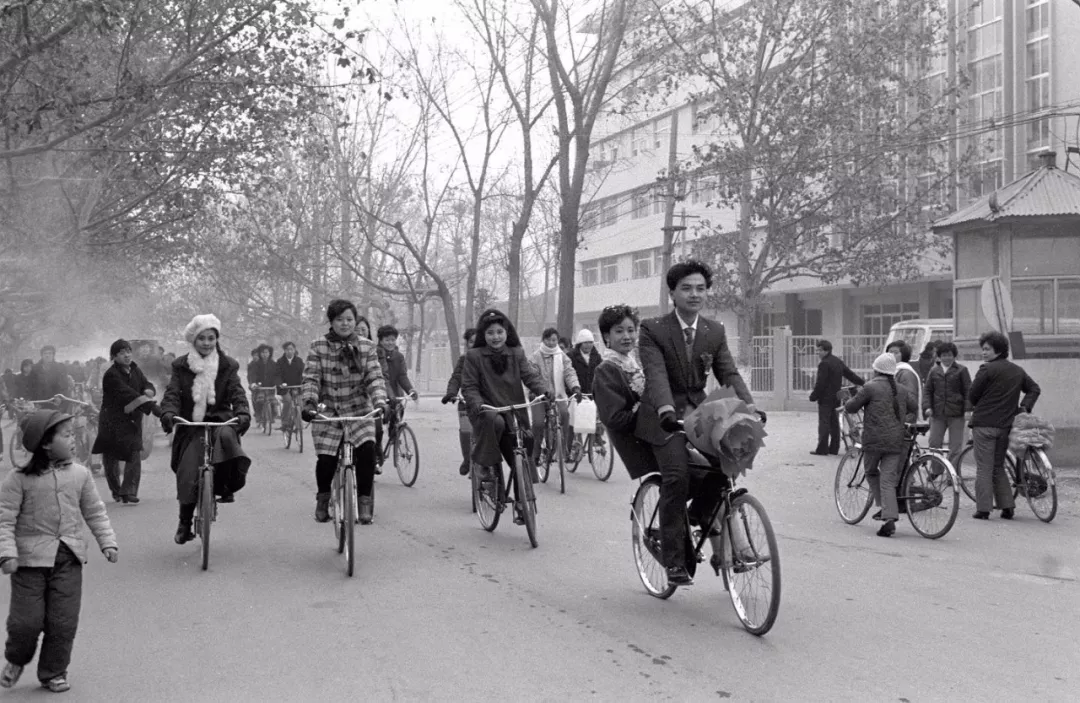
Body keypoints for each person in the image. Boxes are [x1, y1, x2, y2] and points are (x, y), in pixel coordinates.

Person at [636, 260, 758, 586]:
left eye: (701, 288)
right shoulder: (652, 329)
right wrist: (665, 409)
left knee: (730, 458)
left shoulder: (713, 331)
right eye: (687, 288)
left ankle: (699, 514)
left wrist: (749, 407)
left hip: (698, 412)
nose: (694, 294)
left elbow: (728, 372)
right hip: (662, 416)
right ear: (672, 293)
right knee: (676, 476)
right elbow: (656, 374)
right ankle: (674, 561)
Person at [0, 409, 118, 693]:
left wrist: (107, 541)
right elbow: (4, 519)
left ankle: (53, 671)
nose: (73, 440)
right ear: (45, 443)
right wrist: (7, 553)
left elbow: (95, 511)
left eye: (73, 434)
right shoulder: (18, 479)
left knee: (63, 622)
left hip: (68, 559)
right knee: (25, 623)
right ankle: (16, 659)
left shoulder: (80, 475)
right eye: (66, 435)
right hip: (28, 563)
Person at [160, 315, 252, 544]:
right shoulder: (181, 365)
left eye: (211, 338)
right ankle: (184, 522)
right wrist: (169, 412)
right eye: (202, 338)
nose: (207, 343)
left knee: (228, 440)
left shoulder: (228, 365)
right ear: (194, 340)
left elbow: (237, 392)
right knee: (188, 469)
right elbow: (172, 393)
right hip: (191, 424)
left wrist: (242, 412)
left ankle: (224, 485)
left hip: (220, 420)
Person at [300, 300, 387, 525]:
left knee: (367, 451)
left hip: (359, 411)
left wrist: (380, 401)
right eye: (339, 319)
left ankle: (364, 501)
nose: (345, 324)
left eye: (349, 319)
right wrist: (309, 403)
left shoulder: (367, 346)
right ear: (331, 322)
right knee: (326, 459)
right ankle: (323, 499)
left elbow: (375, 377)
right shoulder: (318, 346)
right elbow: (311, 378)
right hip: (328, 411)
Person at [461, 309, 549, 506]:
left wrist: (544, 391)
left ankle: (522, 503)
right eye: (490, 332)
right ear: (483, 335)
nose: (496, 337)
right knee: (497, 423)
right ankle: (485, 465)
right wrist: (477, 403)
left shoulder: (517, 353)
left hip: (514, 411)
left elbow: (529, 376)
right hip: (486, 412)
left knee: (522, 452)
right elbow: (469, 386)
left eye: (500, 332)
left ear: (507, 332)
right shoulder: (474, 356)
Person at [968, 331, 1041, 521]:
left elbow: (972, 395)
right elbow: (1034, 389)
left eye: (987, 349)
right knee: (998, 466)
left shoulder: (986, 370)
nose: (983, 352)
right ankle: (1007, 507)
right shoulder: (1017, 371)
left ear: (998, 350)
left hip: (984, 425)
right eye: (983, 349)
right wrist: (1024, 407)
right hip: (1005, 427)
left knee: (984, 468)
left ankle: (983, 509)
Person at [844, 353, 917, 537]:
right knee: (888, 480)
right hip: (896, 441)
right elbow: (914, 406)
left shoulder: (870, 387)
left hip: (873, 441)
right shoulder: (901, 389)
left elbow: (851, 407)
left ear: (876, 370)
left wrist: (849, 399)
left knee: (871, 472)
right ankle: (888, 517)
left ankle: (884, 508)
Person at [91, 340, 162, 505]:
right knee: (110, 457)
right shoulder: (111, 375)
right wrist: (152, 406)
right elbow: (128, 394)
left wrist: (149, 389)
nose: (127, 355)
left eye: (128, 352)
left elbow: (145, 384)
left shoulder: (135, 369)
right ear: (114, 356)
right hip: (112, 420)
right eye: (122, 353)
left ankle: (129, 491)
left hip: (132, 419)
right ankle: (116, 490)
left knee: (134, 451)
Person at [592, 305, 658, 479]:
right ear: (607, 336)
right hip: (641, 442)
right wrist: (647, 409)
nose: (627, 336)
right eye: (619, 331)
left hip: (656, 431)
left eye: (631, 330)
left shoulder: (635, 361)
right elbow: (614, 418)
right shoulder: (606, 369)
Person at [528, 327, 582, 466]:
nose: (552, 343)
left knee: (565, 415)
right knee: (538, 423)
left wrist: (575, 387)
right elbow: (533, 377)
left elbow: (569, 372)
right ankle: (535, 452)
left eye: (554, 340)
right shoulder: (535, 357)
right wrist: (541, 391)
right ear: (543, 340)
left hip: (558, 395)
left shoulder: (562, 356)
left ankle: (563, 449)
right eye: (549, 340)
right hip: (539, 396)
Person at [808, 339, 865, 456]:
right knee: (834, 423)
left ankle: (822, 449)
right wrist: (863, 383)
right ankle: (834, 448)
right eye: (817, 350)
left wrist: (813, 396)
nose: (818, 353)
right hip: (836, 397)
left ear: (827, 350)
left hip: (825, 398)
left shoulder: (824, 364)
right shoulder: (837, 361)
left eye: (820, 350)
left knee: (824, 423)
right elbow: (850, 375)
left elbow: (821, 383)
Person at [923, 342, 971, 468]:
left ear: (954, 356)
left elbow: (968, 391)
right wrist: (927, 407)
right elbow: (927, 390)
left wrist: (968, 409)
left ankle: (952, 474)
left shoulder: (962, 370)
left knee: (955, 446)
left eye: (949, 355)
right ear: (939, 356)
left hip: (957, 414)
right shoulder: (934, 371)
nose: (947, 358)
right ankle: (936, 471)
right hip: (937, 414)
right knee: (934, 443)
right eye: (944, 355)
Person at [441, 328, 479, 476]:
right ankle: (467, 459)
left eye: (478, 341)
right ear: (467, 344)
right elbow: (456, 377)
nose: (475, 344)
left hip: (487, 402)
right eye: (471, 342)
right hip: (466, 402)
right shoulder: (464, 360)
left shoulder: (490, 358)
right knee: (466, 431)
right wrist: (451, 392)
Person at [885, 340, 922, 422]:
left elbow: (912, 402)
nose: (891, 355)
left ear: (904, 355)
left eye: (896, 353)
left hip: (902, 420)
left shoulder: (906, 373)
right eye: (889, 352)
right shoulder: (890, 371)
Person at [247, 344, 281, 425]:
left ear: (270, 353)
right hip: (259, 388)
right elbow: (252, 374)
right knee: (259, 401)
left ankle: (272, 415)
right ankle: (258, 415)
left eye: (266, 352)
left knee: (273, 403)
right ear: (259, 353)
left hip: (270, 388)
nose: (264, 354)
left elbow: (277, 375)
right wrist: (253, 383)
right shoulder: (255, 364)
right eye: (262, 352)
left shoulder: (274, 364)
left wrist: (278, 383)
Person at [276, 342, 305, 430]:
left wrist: (304, 382)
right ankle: (285, 422)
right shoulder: (280, 361)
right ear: (284, 350)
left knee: (300, 404)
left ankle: (298, 423)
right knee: (288, 401)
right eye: (287, 349)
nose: (289, 351)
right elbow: (277, 375)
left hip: (297, 386)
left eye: (291, 349)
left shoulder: (299, 361)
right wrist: (280, 383)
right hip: (285, 388)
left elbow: (303, 373)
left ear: (294, 350)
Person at [569, 329, 602, 396]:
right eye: (585, 342)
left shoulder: (597, 357)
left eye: (590, 342)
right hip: (577, 395)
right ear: (580, 343)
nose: (588, 345)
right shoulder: (571, 357)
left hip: (593, 395)